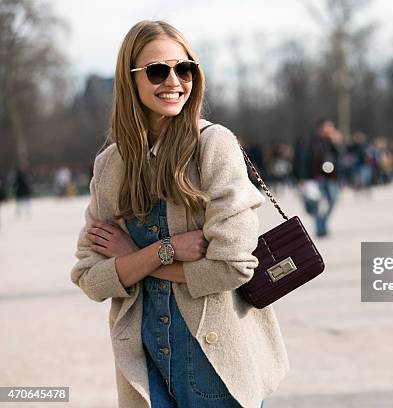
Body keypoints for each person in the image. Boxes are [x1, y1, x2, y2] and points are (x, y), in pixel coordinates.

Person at [69, 20, 289, 408]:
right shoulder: (110, 166)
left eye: (183, 68)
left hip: (215, 366)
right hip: (144, 371)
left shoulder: (213, 146)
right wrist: (163, 251)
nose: (174, 80)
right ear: (130, 79)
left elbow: (233, 266)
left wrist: (130, 260)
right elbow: (90, 278)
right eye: (157, 70)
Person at [293, 118, 343, 237]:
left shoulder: (333, 141)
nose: (331, 129)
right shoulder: (310, 141)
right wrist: (302, 178)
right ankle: (321, 229)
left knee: (333, 200)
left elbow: (341, 156)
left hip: (332, 177)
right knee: (318, 204)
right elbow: (303, 160)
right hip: (316, 177)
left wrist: (337, 143)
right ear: (321, 128)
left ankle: (322, 223)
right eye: (328, 127)